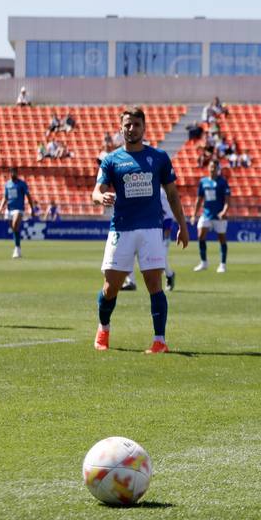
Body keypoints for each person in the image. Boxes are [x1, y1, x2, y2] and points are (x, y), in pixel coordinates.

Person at [91, 106, 189, 354]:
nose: (131, 128)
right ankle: (103, 329)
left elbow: (173, 195)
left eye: (136, 124)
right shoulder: (111, 159)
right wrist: (99, 198)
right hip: (121, 230)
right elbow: (96, 190)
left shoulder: (158, 158)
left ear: (144, 127)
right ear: (120, 127)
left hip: (151, 230)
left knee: (154, 284)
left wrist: (183, 226)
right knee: (110, 286)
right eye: (127, 124)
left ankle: (160, 340)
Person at [192, 161, 230, 274]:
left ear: (218, 168)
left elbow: (228, 200)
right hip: (206, 214)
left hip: (219, 215)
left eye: (214, 167)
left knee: (221, 238)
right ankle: (204, 262)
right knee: (200, 236)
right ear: (208, 168)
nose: (212, 169)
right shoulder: (203, 181)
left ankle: (222, 264)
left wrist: (224, 211)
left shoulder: (223, 182)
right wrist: (194, 214)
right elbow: (199, 199)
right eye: (211, 167)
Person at [0, 167, 40, 259]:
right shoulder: (7, 184)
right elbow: (5, 197)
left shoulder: (22, 184)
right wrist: (1, 207)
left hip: (19, 209)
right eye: (11, 172)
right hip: (9, 209)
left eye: (14, 172)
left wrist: (32, 209)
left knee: (15, 224)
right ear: (10, 173)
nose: (13, 174)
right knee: (14, 228)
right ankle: (18, 247)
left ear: (17, 173)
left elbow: (28, 196)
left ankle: (17, 248)